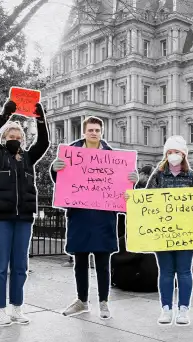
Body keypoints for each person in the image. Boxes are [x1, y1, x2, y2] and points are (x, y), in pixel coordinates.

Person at [51, 116, 138, 319]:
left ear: (102, 132)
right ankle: (82, 301)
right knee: (79, 261)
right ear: (84, 132)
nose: (94, 133)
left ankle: (104, 302)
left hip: (103, 217)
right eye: (90, 130)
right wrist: (53, 169)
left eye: (97, 130)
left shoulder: (113, 158)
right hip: (79, 216)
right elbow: (62, 181)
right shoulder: (70, 154)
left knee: (103, 262)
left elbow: (123, 189)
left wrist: (132, 180)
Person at [126, 136, 193, 325]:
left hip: (187, 233)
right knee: (165, 271)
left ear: (184, 155)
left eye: (177, 152)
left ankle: (183, 309)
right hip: (162, 233)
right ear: (166, 154)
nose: (173, 155)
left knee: (184, 271)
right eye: (170, 152)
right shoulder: (157, 176)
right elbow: (147, 202)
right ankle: (166, 308)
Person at [0, 99, 49, 326]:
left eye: (19, 137)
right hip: (0, 218)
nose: (15, 140)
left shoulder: (28, 158)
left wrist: (40, 119)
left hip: (24, 219)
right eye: (11, 136)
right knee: (0, 266)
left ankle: (17, 308)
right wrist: (4, 116)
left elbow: (44, 142)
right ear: (3, 138)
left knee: (20, 267)